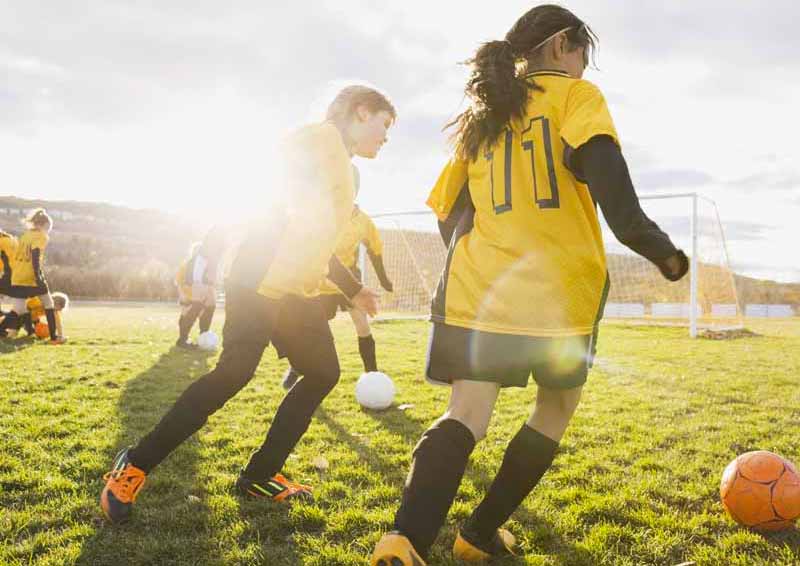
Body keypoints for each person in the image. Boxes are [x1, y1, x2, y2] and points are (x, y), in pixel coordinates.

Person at [371, 5, 688, 565]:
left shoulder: (482, 116)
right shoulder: (575, 98)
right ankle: (478, 532)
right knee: (556, 407)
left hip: (479, 288)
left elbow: (447, 213)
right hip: (559, 296)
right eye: (584, 53)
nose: (585, 67)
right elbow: (618, 202)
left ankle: (404, 541)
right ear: (565, 44)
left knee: (466, 413)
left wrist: (484, 257)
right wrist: (663, 252)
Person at [100, 84, 396, 524]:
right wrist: (205, 264)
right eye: (384, 125)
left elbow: (314, 236)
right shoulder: (318, 140)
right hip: (259, 278)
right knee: (235, 373)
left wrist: (352, 287)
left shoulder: (339, 163)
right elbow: (258, 196)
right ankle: (134, 464)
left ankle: (260, 476)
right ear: (361, 111)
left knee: (322, 372)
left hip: (294, 291)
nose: (386, 137)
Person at [282, 172, 393, 389]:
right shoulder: (321, 216)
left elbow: (375, 250)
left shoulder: (363, 221)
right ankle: (297, 368)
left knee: (362, 323)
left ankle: (372, 376)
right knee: (312, 329)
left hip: (350, 281)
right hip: (321, 279)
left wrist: (384, 279)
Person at [3, 209, 66, 344]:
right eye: (48, 227)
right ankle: (54, 338)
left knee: (19, 309)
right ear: (42, 225)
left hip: (17, 276)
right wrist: (38, 276)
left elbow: (18, 256)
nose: (48, 231)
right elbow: (35, 254)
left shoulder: (25, 235)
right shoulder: (42, 236)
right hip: (31, 276)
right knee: (49, 303)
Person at [175, 229, 227, 348]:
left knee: (208, 307)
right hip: (189, 290)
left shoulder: (206, 263)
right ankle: (182, 339)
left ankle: (203, 336)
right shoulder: (189, 265)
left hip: (199, 288)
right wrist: (183, 295)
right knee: (190, 311)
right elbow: (178, 281)